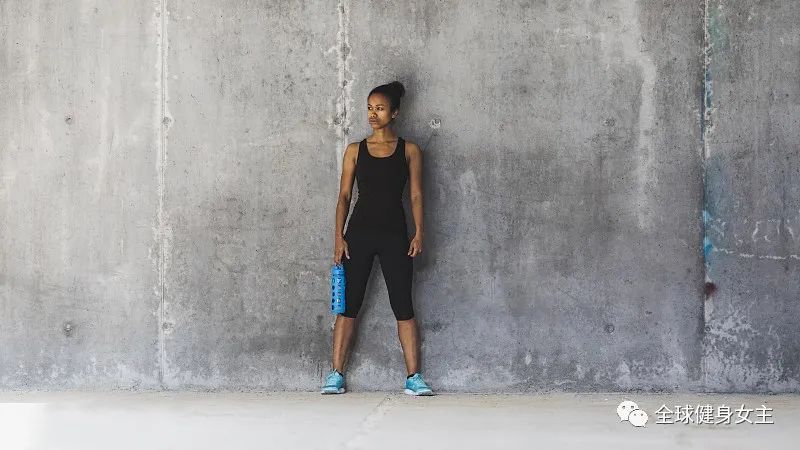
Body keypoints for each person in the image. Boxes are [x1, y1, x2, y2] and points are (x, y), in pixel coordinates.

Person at [321, 81, 433, 396]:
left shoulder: (409, 150)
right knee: (348, 306)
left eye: (380, 108)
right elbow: (344, 197)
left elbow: (415, 195)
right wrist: (338, 238)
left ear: (394, 112)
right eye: (370, 108)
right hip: (358, 236)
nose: (373, 114)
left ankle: (414, 378)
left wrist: (419, 231)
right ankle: (335, 375)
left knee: (403, 305)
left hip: (396, 236)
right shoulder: (355, 150)